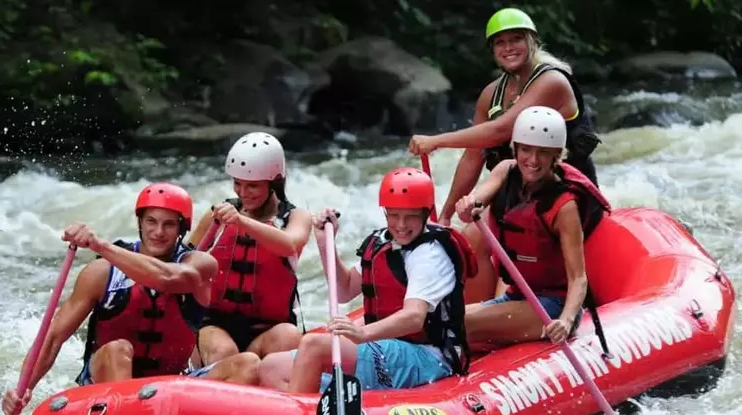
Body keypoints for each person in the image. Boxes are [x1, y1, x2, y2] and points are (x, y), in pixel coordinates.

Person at [1, 182, 260, 415]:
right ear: (140, 222)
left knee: (247, 364)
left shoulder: (201, 265)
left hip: (169, 386)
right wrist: (23, 388)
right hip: (103, 381)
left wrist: (100, 245)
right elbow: (53, 337)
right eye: (151, 221)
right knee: (118, 349)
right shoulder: (101, 273)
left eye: (169, 224)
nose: (158, 232)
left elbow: (168, 278)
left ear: (182, 228)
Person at [408, 7, 602, 301]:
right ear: (492, 50)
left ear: (532, 42)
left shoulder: (552, 81)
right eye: (500, 42)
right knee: (471, 236)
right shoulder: (491, 95)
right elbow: (473, 156)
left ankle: (498, 314)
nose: (508, 48)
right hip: (519, 194)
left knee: (508, 233)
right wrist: (446, 214)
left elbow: (502, 130)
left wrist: (437, 141)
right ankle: (475, 323)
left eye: (516, 39)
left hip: (563, 194)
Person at [258, 167, 478, 392]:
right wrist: (326, 244)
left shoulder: (430, 254)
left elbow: (413, 318)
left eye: (410, 216)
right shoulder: (383, 243)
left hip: (429, 356)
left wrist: (362, 334)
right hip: (386, 345)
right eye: (394, 215)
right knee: (272, 367)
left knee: (313, 346)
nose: (401, 225)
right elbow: (344, 290)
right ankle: (318, 412)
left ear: (425, 213)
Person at [456, 106, 610, 348]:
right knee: (438, 320)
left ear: (556, 155)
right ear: (516, 148)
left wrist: (567, 321)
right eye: (526, 150)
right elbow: (478, 199)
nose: (533, 160)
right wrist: (469, 205)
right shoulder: (506, 170)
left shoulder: (564, 205)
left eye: (543, 153)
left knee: (453, 325)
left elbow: (578, 278)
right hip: (517, 296)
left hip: (553, 308)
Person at [187, 132, 312, 373]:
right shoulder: (217, 216)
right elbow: (183, 262)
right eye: (238, 183)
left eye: (252, 185)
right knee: (225, 353)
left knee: (289, 336)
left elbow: (289, 244)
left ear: (274, 182)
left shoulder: (295, 218)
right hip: (214, 324)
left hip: (268, 329)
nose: (243, 192)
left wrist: (242, 222)